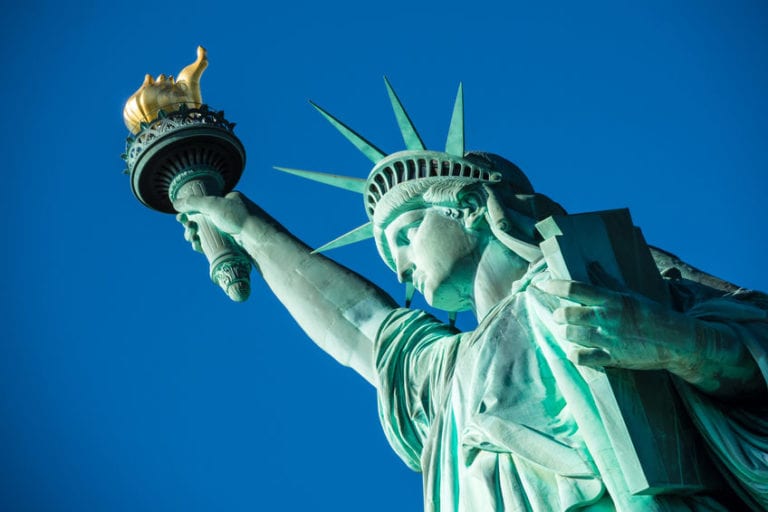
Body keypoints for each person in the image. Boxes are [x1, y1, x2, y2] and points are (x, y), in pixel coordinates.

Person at [174, 93, 768, 511]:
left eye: (405, 234)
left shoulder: (602, 270)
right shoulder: (450, 369)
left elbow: (755, 331)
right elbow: (362, 327)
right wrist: (244, 225)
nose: (400, 263)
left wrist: (674, 341)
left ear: (469, 205)